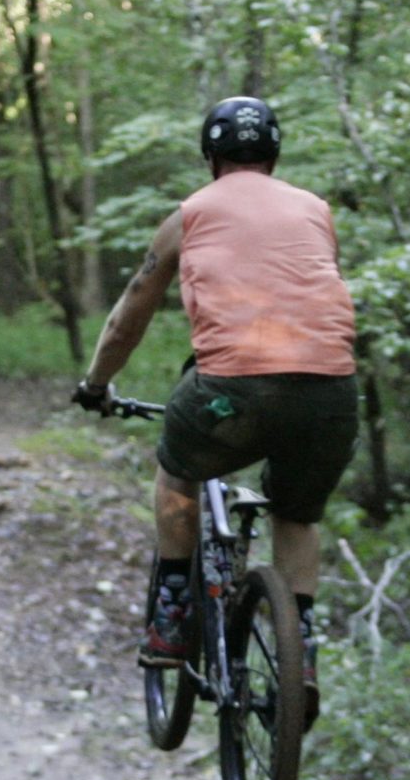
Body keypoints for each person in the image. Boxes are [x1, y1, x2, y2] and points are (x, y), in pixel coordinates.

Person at [71, 96, 359, 715]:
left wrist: (96, 383)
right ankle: (299, 646)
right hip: (332, 394)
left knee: (178, 473)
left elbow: (130, 315)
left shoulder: (190, 214)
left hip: (231, 391)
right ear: (275, 154)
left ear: (210, 157)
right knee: (297, 514)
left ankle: (173, 611)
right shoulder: (316, 211)